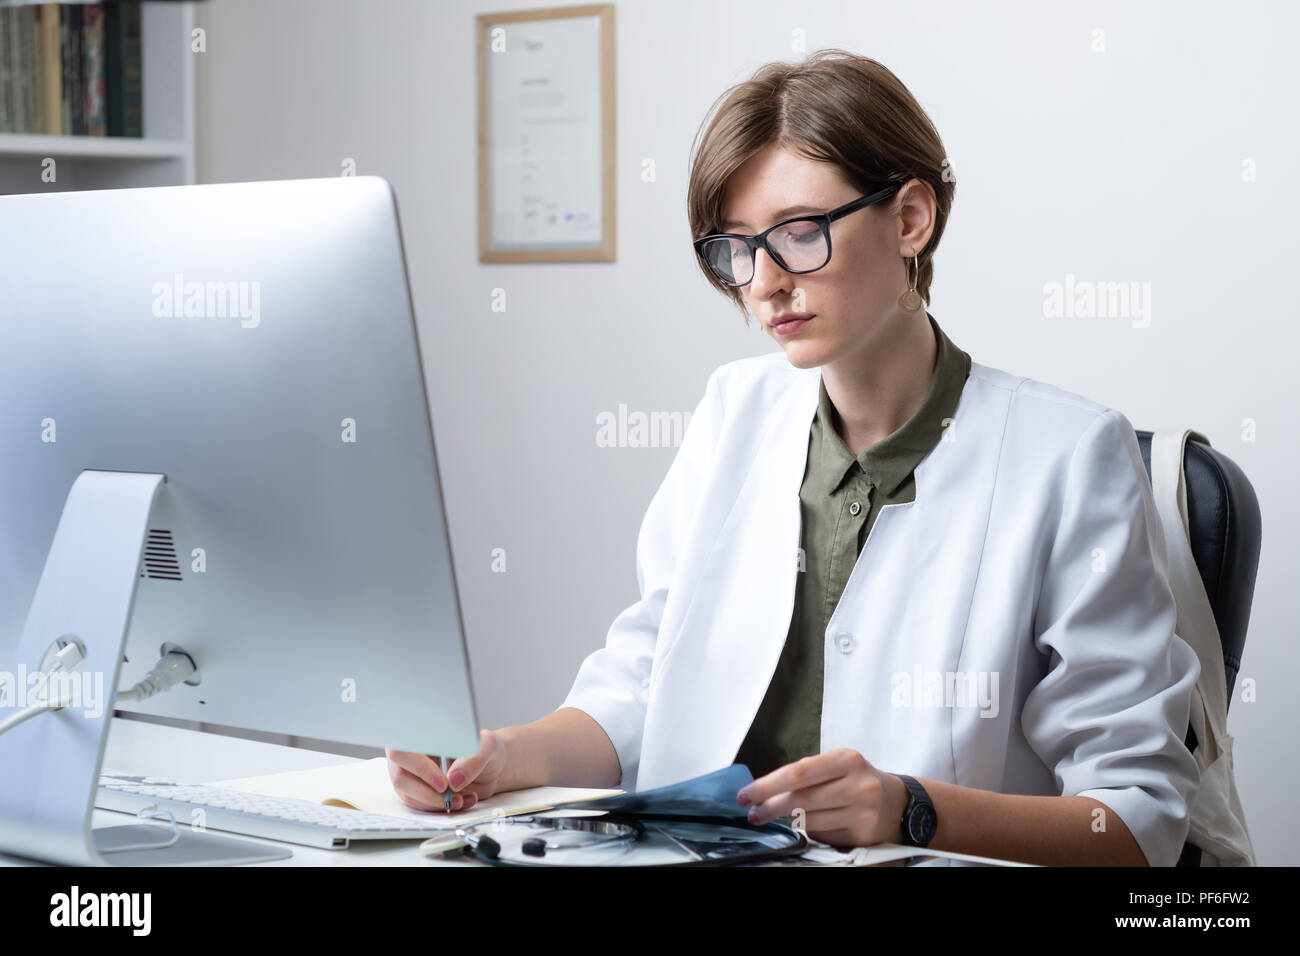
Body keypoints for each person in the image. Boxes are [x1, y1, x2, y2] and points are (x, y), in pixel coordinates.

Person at [387, 49, 1201, 866]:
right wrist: (500, 758)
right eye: (738, 249)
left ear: (911, 218)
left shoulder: (1066, 454)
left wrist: (911, 808)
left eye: (800, 233)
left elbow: (1137, 822)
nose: (764, 283)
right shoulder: (732, 412)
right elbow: (643, 685)